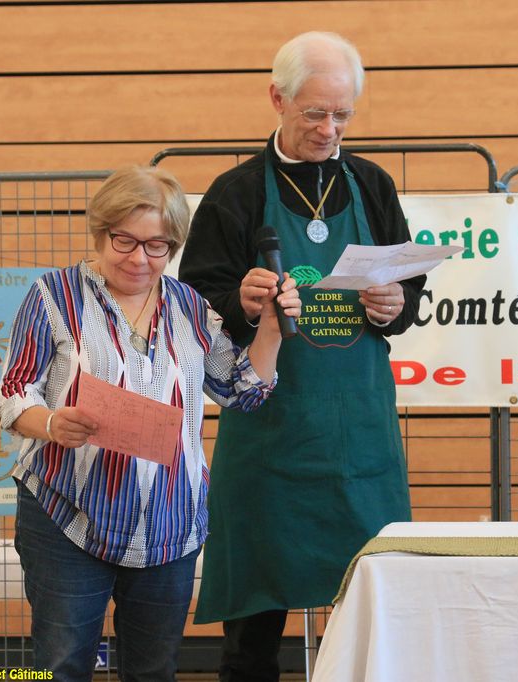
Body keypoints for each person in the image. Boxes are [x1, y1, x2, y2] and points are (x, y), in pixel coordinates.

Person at [178, 31, 424, 682]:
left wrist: (395, 305)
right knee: (253, 636)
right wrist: (239, 302)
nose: (329, 129)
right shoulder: (234, 194)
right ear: (277, 99)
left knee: (373, 619)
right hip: (269, 440)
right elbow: (195, 302)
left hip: (358, 441)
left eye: (342, 114)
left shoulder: (372, 185)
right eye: (315, 112)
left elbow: (411, 291)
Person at [0, 165, 300, 681]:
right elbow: (13, 391)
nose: (140, 258)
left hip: (169, 521)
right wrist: (50, 423)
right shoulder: (54, 296)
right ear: (100, 232)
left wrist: (270, 328)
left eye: (157, 246)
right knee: (63, 666)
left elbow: (242, 391)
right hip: (68, 511)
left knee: (153, 672)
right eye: (125, 241)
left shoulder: (191, 307)